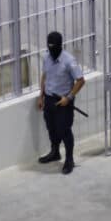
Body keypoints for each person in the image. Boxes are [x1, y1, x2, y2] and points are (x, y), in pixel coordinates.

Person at [37, 31, 85, 174]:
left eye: (54, 47)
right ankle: (55, 152)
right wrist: (41, 96)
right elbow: (45, 76)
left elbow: (81, 81)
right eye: (49, 47)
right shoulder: (46, 57)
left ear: (60, 45)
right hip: (49, 99)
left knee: (64, 131)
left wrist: (69, 97)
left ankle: (69, 160)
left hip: (63, 101)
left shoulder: (69, 61)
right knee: (51, 128)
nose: (51, 50)